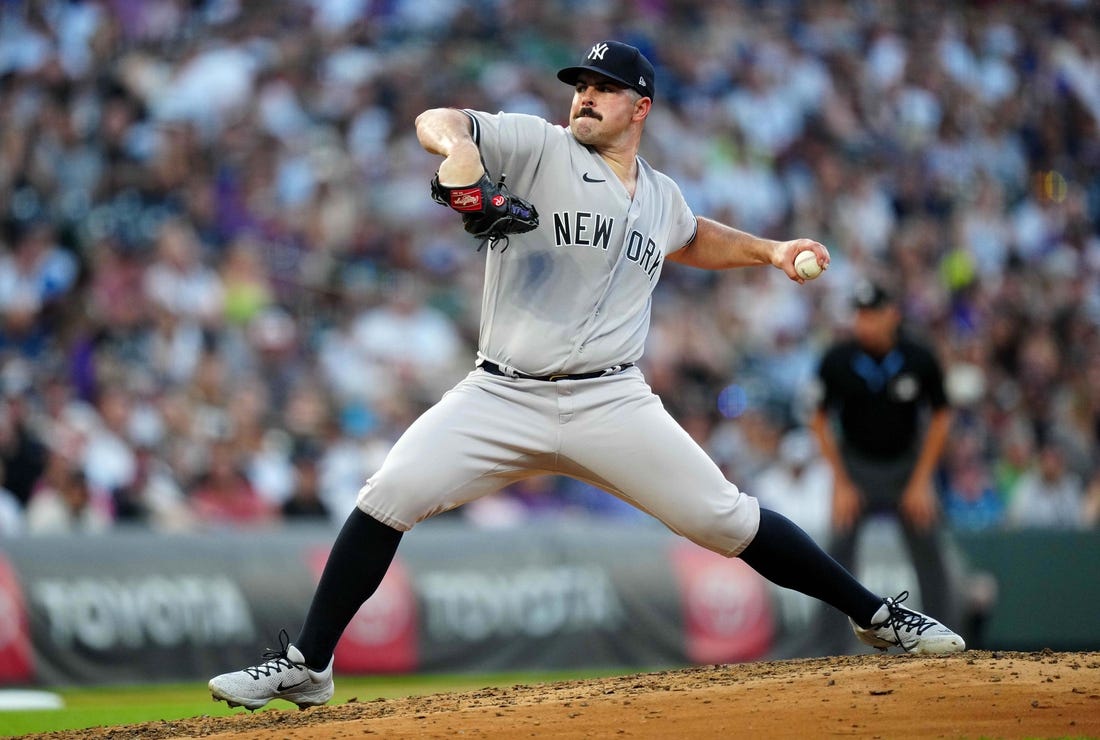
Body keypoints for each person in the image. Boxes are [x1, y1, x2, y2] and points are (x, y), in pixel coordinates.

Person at [209, 40, 964, 711]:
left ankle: (879, 617)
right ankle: (309, 664)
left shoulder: (661, 196)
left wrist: (769, 251)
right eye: (580, 84)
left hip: (611, 398)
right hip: (503, 391)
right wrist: (460, 156)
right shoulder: (540, 147)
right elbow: (439, 119)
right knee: (387, 496)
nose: (585, 96)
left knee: (726, 519)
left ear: (642, 106)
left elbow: (694, 236)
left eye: (602, 87)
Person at [808, 278, 956, 655]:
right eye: (859, 315)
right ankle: (826, 649)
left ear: (892, 315)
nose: (864, 323)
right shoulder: (838, 359)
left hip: (907, 468)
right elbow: (819, 420)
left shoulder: (918, 358)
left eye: (872, 315)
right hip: (855, 467)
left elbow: (941, 417)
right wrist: (840, 482)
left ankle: (946, 638)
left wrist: (922, 480)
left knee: (930, 554)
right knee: (834, 556)